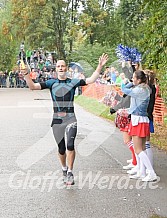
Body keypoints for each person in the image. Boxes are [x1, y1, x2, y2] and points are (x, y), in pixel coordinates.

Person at [21, 54, 109, 185]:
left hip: (70, 118)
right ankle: (64, 168)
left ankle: (70, 172)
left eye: (63, 66)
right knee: (61, 148)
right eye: (58, 66)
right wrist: (26, 75)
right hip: (57, 120)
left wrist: (100, 66)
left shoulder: (72, 82)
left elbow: (90, 80)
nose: (61, 68)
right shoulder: (51, 82)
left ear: (66, 68)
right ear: (56, 69)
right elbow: (32, 87)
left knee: (70, 145)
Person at [121, 70, 157, 182]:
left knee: (138, 150)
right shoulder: (146, 88)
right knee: (142, 149)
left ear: (139, 79)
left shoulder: (139, 90)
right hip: (143, 119)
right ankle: (142, 172)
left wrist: (128, 82)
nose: (132, 79)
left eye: (134, 77)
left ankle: (151, 172)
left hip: (138, 120)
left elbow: (124, 89)